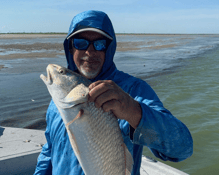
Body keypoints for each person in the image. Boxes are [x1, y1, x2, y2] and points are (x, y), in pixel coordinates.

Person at [34, 10, 193, 175]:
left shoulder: (134, 90)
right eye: (80, 43)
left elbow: (183, 148)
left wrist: (133, 111)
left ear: (109, 48)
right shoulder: (60, 97)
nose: (90, 52)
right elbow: (50, 150)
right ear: (70, 47)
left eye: (99, 44)